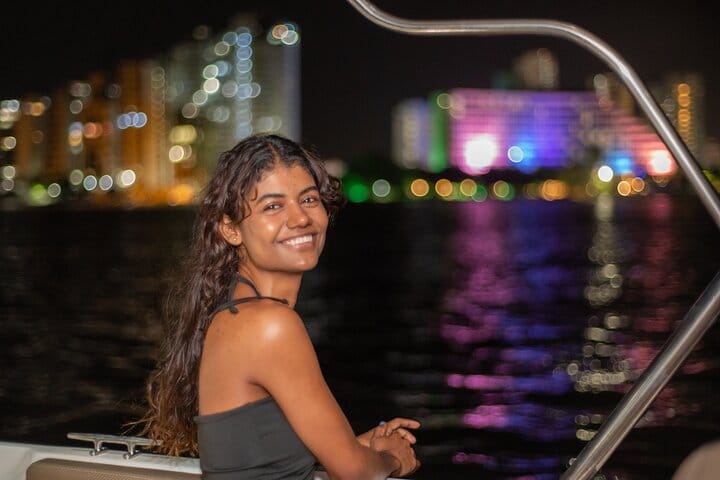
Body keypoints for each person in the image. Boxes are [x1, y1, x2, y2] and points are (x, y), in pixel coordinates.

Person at [134, 133, 421, 480]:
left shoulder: (237, 311)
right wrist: (393, 458)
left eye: (309, 199)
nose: (300, 219)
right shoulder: (268, 325)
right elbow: (353, 472)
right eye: (273, 206)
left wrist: (357, 445)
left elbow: (268, 460)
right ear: (231, 229)